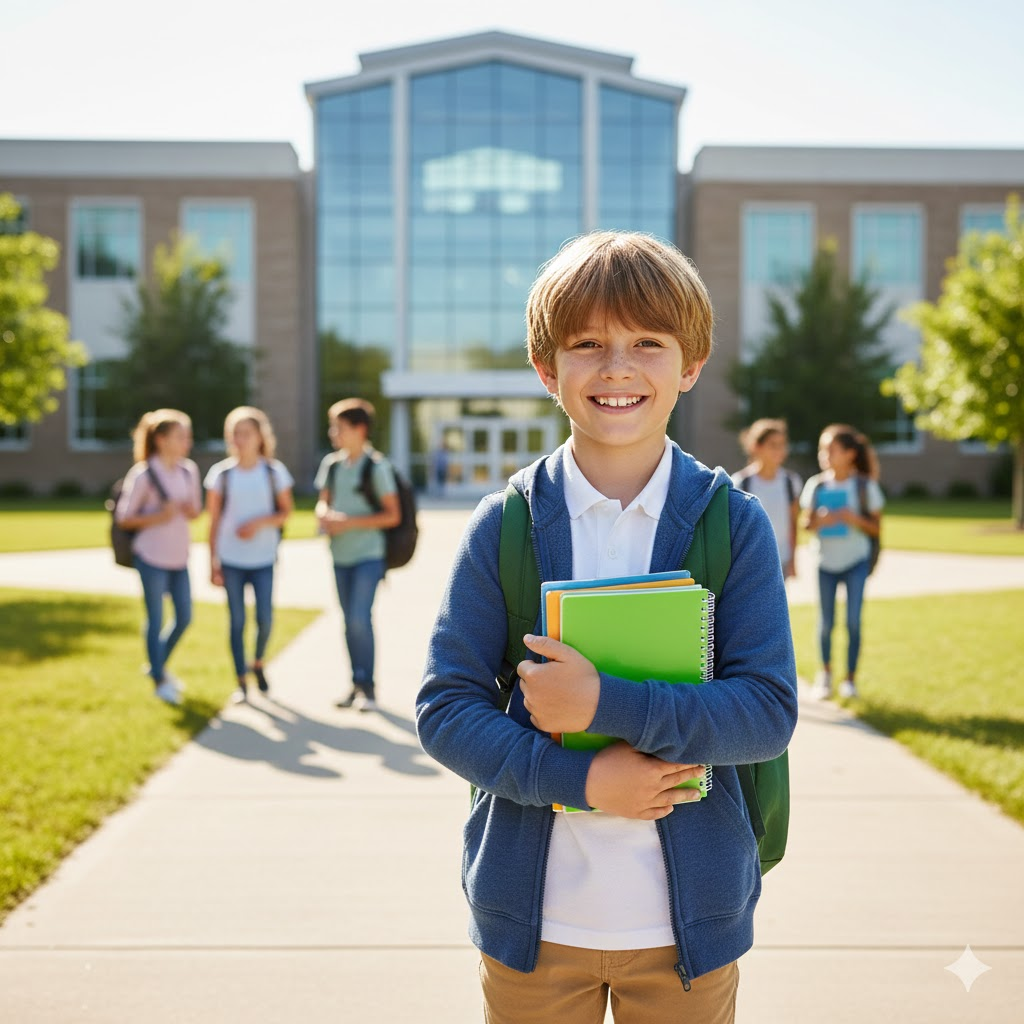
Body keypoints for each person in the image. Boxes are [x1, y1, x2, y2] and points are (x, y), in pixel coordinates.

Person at [416, 232, 797, 1023]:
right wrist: (582, 783)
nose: (617, 367)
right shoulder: (505, 527)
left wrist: (603, 706)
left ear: (689, 365)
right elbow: (446, 710)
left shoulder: (734, 526)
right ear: (546, 370)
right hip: (534, 928)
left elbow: (766, 710)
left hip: (688, 931)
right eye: (587, 344)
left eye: (646, 343)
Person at [314, 398, 400, 712]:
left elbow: (392, 515)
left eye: (339, 427)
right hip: (340, 556)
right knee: (349, 624)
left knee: (359, 619)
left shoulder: (376, 467)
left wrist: (348, 522)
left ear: (360, 429)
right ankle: (355, 683)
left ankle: (369, 688)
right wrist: (324, 515)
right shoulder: (332, 465)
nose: (333, 433)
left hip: (368, 556)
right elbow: (323, 501)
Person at [205, 406, 294, 704]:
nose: (239, 439)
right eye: (234, 433)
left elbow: (285, 513)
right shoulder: (221, 475)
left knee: (265, 619)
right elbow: (213, 521)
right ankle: (241, 682)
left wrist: (257, 523)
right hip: (230, 560)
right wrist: (212, 562)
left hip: (263, 559)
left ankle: (257, 662)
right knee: (237, 621)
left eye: (246, 433)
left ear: (260, 437)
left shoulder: (274, 472)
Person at [115, 409, 202, 706]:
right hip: (150, 555)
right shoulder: (144, 474)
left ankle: (156, 664)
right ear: (162, 440)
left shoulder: (189, 470)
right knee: (155, 618)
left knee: (185, 617)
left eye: (188, 436)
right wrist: (158, 516)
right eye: (181, 436)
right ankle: (159, 680)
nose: (187, 442)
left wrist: (190, 511)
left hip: (179, 556)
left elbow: (195, 510)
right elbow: (124, 517)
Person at [800, 423, 884, 701]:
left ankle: (850, 680)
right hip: (824, 563)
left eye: (831, 449)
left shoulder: (864, 486)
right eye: (822, 449)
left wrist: (852, 518)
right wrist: (818, 520)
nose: (824, 454)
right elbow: (806, 523)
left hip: (855, 562)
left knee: (853, 621)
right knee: (825, 623)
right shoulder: (817, 485)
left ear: (849, 454)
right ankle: (824, 675)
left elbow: (876, 528)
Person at [730, 418, 802, 578]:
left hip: (781, 559)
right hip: (751, 560)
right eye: (773, 445)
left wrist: (793, 561)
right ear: (757, 446)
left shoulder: (791, 482)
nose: (779, 450)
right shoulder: (741, 482)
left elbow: (793, 522)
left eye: (782, 445)